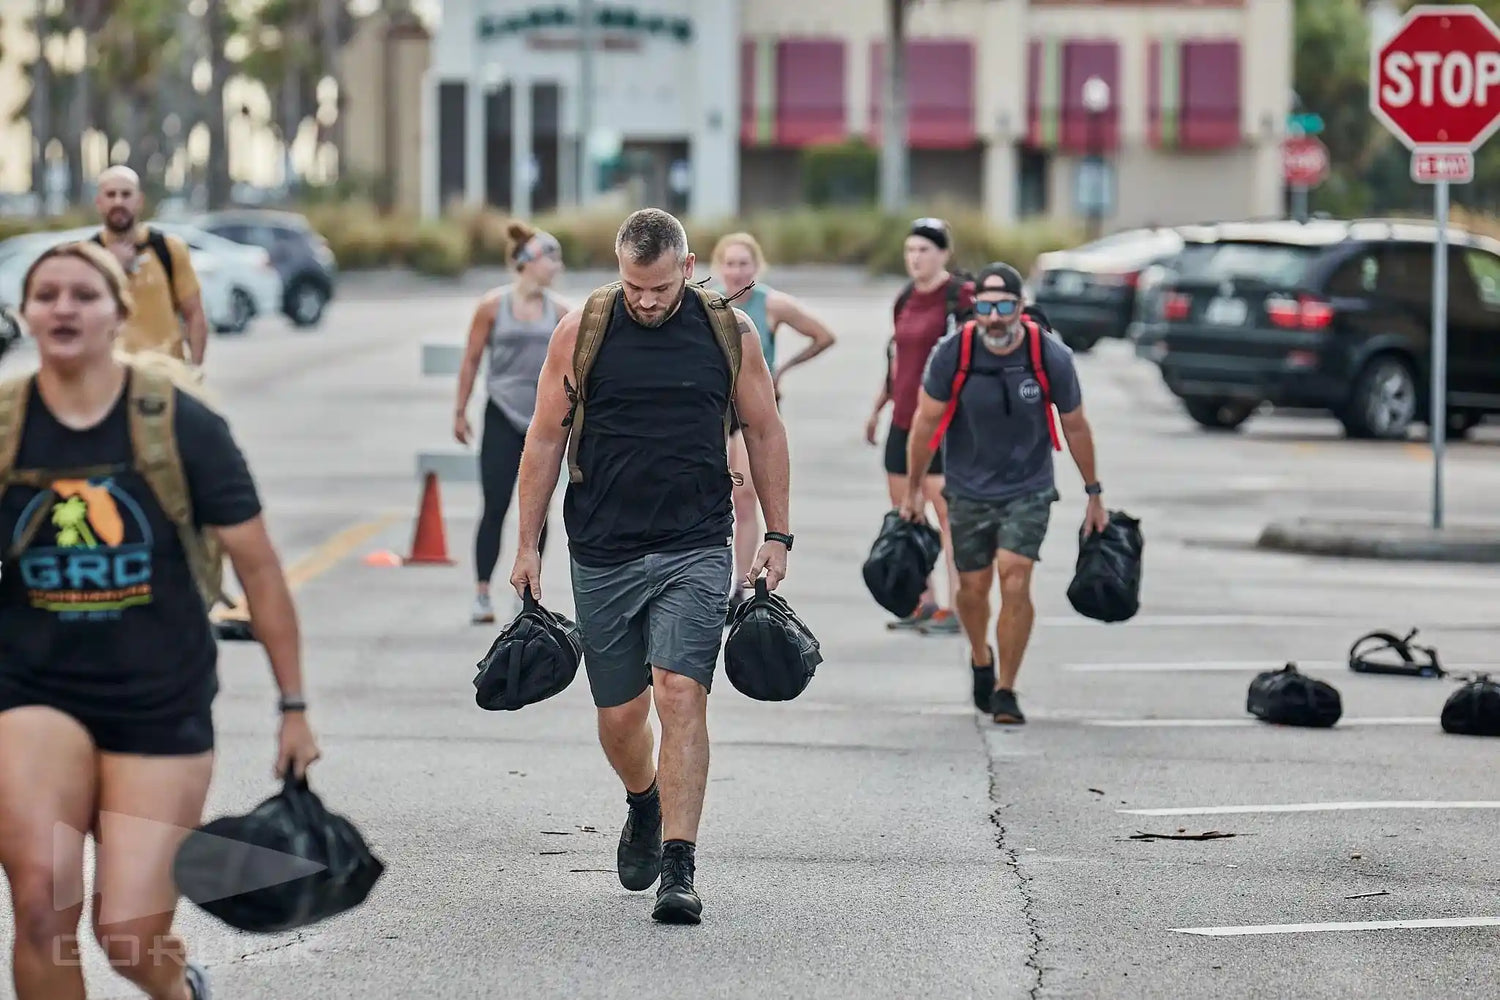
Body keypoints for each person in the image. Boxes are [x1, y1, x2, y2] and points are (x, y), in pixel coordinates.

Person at [0, 241, 321, 1000]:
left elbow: (261, 569)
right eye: (47, 295)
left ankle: (180, 988)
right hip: (32, 693)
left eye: (84, 294)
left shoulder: (181, 426)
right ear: (25, 312)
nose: (64, 307)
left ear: (119, 313)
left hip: (158, 703)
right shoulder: (7, 427)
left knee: (129, 936)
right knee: (42, 907)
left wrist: (294, 708)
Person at [510, 208, 791, 925]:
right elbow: (544, 438)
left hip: (696, 542)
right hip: (603, 546)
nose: (646, 301)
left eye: (660, 288)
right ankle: (643, 800)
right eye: (635, 287)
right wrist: (527, 543)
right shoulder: (585, 329)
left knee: (678, 693)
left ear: (688, 266)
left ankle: (679, 866)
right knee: (620, 715)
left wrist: (778, 534)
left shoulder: (729, 330)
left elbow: (763, 427)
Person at [900, 262, 1108, 724]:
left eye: (1004, 306)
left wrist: (1093, 492)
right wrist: (913, 489)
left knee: (1015, 575)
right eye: (985, 307)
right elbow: (925, 424)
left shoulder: (1048, 354)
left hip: (1028, 486)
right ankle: (980, 656)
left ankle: (1007, 688)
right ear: (975, 308)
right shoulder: (953, 353)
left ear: (1020, 307)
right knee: (973, 589)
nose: (994, 317)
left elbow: (1075, 426)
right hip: (968, 487)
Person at [710, 232, 834, 616]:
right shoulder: (709, 303)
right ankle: (710, 580)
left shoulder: (772, 304)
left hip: (752, 411)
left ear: (756, 267)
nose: (736, 271)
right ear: (719, 268)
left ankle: (739, 586)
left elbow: (823, 335)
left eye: (743, 263)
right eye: (729, 264)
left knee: (744, 498)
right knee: (719, 496)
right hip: (716, 409)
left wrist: (781, 370)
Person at [453, 221, 571, 624]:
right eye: (549, 257)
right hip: (502, 414)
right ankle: (482, 591)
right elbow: (470, 360)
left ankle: (528, 598)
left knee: (538, 510)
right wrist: (459, 409)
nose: (556, 266)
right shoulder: (492, 306)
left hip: (544, 420)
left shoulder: (560, 312)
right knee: (496, 505)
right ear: (525, 262)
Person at [866, 218, 971, 635]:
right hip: (903, 419)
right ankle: (922, 602)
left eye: (924, 250)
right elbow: (897, 361)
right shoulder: (905, 297)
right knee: (908, 514)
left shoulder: (959, 297)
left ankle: (960, 607)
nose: (916, 258)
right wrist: (878, 408)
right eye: (910, 250)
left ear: (943, 253)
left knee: (949, 519)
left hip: (944, 423)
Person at [91, 166, 210, 367]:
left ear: (139, 201)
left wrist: (195, 370)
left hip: (165, 371)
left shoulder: (169, 249)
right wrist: (113, 267)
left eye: (126, 194)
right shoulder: (86, 255)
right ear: (99, 202)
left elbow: (194, 313)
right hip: (109, 374)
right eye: (110, 195)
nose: (118, 202)